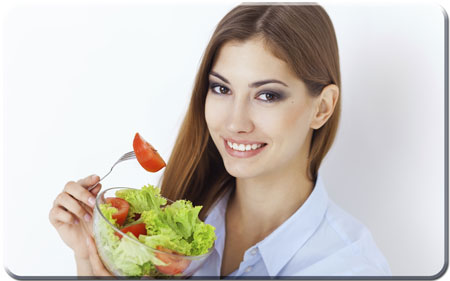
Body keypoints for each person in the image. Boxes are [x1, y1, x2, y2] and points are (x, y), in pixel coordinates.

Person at [49, 3, 392, 277]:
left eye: (267, 95)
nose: (234, 122)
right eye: (221, 88)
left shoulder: (349, 267)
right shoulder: (175, 214)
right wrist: (91, 257)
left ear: (322, 107)